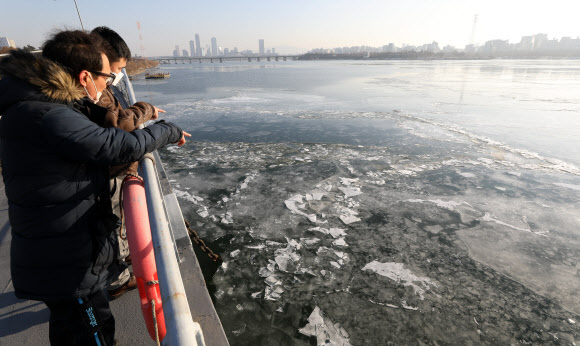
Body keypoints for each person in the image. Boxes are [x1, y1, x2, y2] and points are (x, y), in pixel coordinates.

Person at [0, 30, 189, 345]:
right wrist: (168, 129)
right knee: (94, 334)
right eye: (106, 77)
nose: (109, 84)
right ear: (85, 76)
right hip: (68, 260)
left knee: (70, 331)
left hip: (57, 249)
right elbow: (118, 146)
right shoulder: (46, 113)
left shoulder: (35, 104)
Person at [90, 26, 165, 299]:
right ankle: (116, 279)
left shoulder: (103, 87)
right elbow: (120, 128)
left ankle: (118, 268)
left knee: (115, 223)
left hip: (112, 170)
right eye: (116, 69)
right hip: (109, 172)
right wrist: (148, 113)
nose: (116, 76)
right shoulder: (94, 93)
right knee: (110, 223)